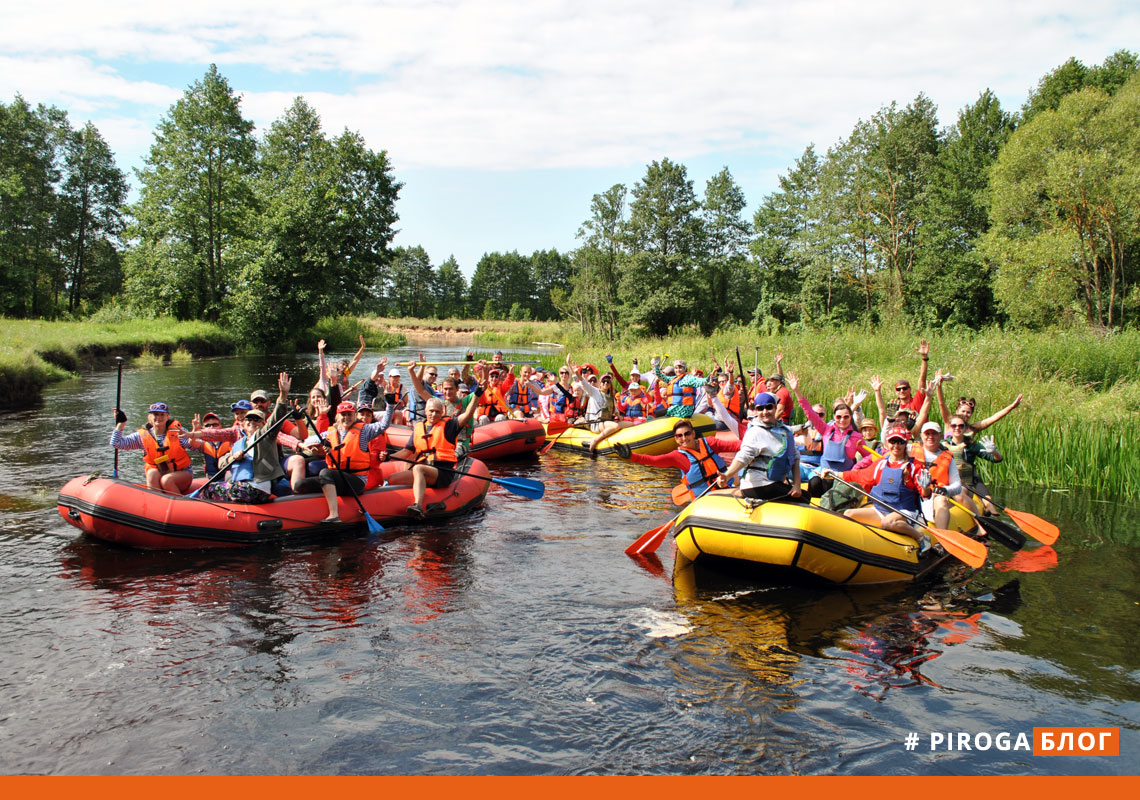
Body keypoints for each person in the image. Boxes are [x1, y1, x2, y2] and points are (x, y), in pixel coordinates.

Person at [820, 425, 934, 546]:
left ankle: (921, 537)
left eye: (900, 442)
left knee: (887, 522)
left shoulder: (914, 466)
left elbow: (925, 495)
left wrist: (926, 487)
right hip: (882, 509)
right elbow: (859, 475)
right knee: (849, 514)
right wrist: (835, 474)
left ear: (905, 444)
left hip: (905, 511)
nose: (896, 446)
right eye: (892, 441)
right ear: (887, 443)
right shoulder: (881, 464)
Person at [193, 375, 298, 504]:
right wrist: (232, 458)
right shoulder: (239, 443)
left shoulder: (265, 437)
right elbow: (221, 461)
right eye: (249, 419)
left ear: (263, 424)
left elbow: (276, 419)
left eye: (257, 420)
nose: (252, 422)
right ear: (243, 423)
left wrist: (283, 396)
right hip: (242, 486)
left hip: (258, 489)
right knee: (211, 488)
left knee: (211, 489)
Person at [386, 389, 482, 519]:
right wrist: (387, 457)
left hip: (442, 472)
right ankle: (410, 496)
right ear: (425, 411)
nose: (434, 414)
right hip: (425, 471)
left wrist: (476, 395)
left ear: (442, 412)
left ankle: (418, 505)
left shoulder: (449, 426)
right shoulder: (419, 428)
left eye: (437, 411)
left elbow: (468, 414)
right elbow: (406, 452)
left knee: (418, 468)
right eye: (431, 411)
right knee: (393, 478)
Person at [786, 370, 870, 503]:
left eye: (846, 417)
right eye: (839, 417)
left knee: (834, 489)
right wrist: (797, 390)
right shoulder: (826, 429)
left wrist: (857, 468)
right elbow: (809, 412)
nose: (842, 420)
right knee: (814, 482)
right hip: (823, 474)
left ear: (850, 417)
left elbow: (870, 455)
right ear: (834, 417)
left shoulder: (856, 436)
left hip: (842, 477)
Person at [309, 398, 396, 523]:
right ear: (337, 417)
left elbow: (384, 425)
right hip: (339, 478)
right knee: (300, 485)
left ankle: (334, 515)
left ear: (354, 416)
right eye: (343, 415)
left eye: (349, 414)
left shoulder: (365, 431)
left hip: (356, 481)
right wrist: (307, 447)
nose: (346, 418)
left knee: (325, 472)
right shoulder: (329, 434)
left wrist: (390, 404)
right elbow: (310, 440)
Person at [613, 418, 740, 499]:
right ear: (676, 439)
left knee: (740, 474)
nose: (684, 438)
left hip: (726, 486)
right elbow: (654, 460)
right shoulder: (677, 456)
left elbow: (735, 446)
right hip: (706, 497)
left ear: (693, 433)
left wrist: (755, 445)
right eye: (679, 436)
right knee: (740, 493)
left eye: (687, 434)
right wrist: (631, 456)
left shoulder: (710, 443)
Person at [714, 392, 803, 501]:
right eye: (760, 409)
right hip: (759, 485)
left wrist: (797, 485)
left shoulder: (785, 432)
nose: (765, 412)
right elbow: (743, 457)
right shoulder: (755, 432)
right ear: (756, 411)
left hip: (774, 483)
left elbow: (795, 458)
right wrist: (727, 475)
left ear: (775, 408)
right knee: (804, 499)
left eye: (769, 407)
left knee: (804, 495)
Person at [111, 401, 195, 494]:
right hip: (160, 473)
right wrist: (121, 423)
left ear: (167, 417)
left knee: (166, 480)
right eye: (155, 414)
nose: (158, 417)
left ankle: (179, 505)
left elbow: (194, 446)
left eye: (162, 415)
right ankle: (157, 504)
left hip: (182, 474)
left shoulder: (178, 432)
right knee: (151, 473)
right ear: (150, 417)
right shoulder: (141, 436)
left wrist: (196, 434)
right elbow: (116, 443)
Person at [943, 415, 1003, 515]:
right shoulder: (943, 445)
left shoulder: (972, 445)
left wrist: (994, 452)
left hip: (966, 486)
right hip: (947, 484)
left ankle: (980, 512)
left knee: (959, 492)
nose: (957, 428)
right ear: (950, 427)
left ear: (965, 428)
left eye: (961, 426)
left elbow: (997, 459)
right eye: (954, 426)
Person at [914, 422, 961, 530]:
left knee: (941, 500)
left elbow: (957, 486)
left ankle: (942, 537)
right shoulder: (909, 449)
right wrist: (890, 420)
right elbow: (889, 443)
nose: (930, 437)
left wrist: (944, 490)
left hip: (934, 497)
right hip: (914, 495)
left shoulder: (948, 458)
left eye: (934, 434)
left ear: (940, 436)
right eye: (927, 433)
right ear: (921, 436)